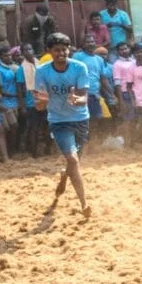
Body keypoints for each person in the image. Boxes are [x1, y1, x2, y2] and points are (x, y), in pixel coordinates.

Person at [35, 33, 91, 216]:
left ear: (69, 50)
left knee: (74, 162)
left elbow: (84, 98)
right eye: (56, 50)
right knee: (73, 160)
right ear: (49, 52)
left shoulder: (79, 67)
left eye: (64, 49)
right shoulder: (42, 72)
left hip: (81, 119)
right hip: (59, 121)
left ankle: (64, 177)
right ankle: (84, 203)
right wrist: (41, 102)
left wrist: (77, 100)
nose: (61, 53)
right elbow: (40, 103)